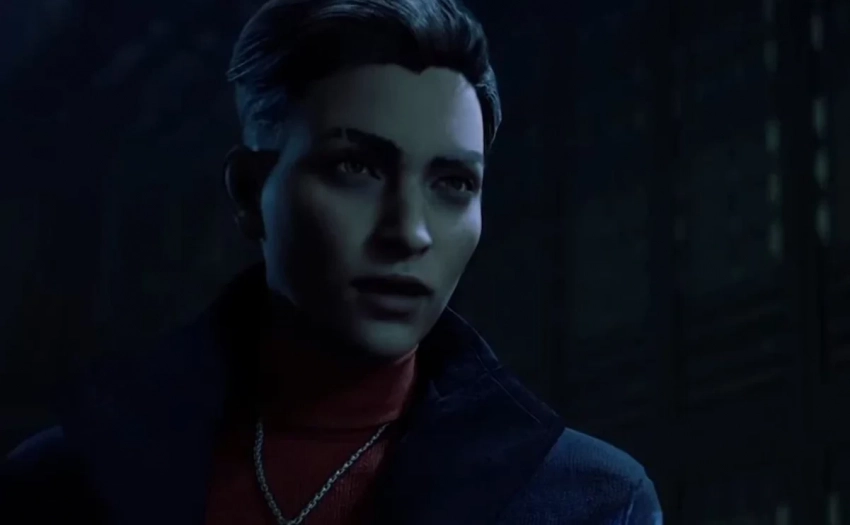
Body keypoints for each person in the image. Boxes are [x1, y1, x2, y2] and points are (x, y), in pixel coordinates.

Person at [0, 0, 663, 523]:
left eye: (453, 182)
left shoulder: (589, 501)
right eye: (356, 167)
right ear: (250, 192)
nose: (409, 232)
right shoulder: (61, 484)